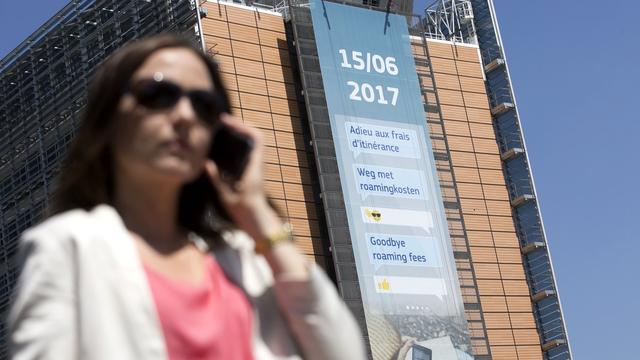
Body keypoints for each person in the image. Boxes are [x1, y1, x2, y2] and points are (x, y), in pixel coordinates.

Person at [8, 34, 365, 360]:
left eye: (204, 106)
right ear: (110, 118)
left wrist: (256, 210)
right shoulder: (68, 245)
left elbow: (343, 354)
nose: (184, 115)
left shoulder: (240, 256)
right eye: (159, 94)